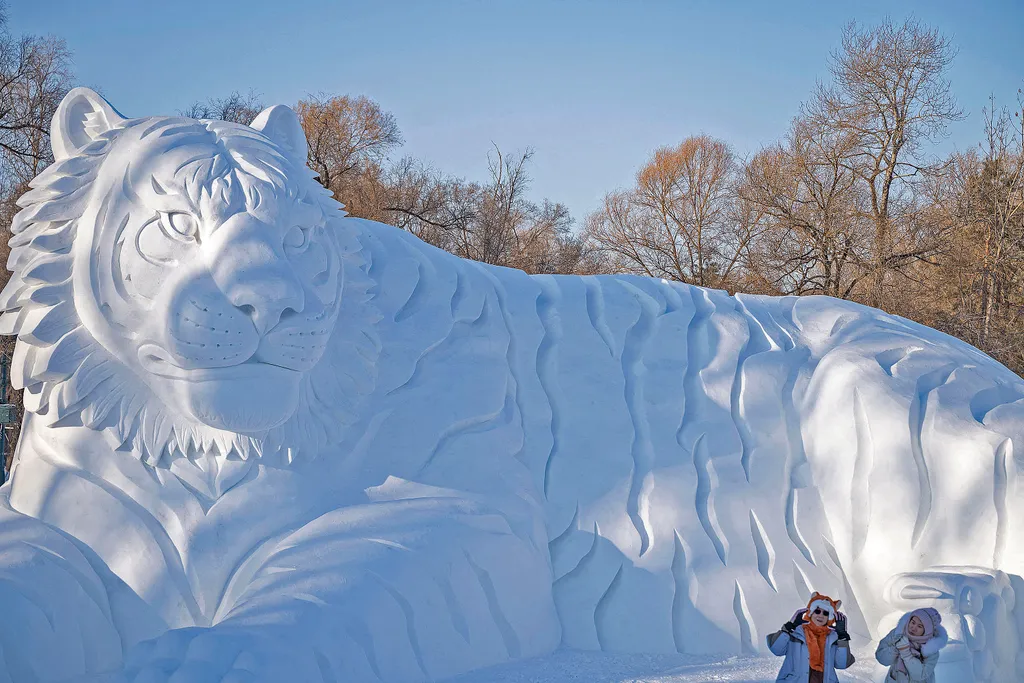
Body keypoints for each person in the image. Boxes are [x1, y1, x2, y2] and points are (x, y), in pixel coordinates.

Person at [767, 592, 855, 683]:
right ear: (811, 612)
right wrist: (788, 628)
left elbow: (841, 664)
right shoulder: (796, 632)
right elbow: (776, 650)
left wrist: (842, 638)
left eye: (825, 613)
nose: (820, 615)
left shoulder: (833, 637)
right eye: (817, 611)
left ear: (829, 617)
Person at [875, 608, 947, 683]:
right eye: (913, 622)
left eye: (919, 626)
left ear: (927, 630)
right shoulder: (897, 634)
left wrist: (906, 653)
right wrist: (896, 648)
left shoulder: (931, 648)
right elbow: (881, 658)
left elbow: (921, 675)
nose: (913, 628)